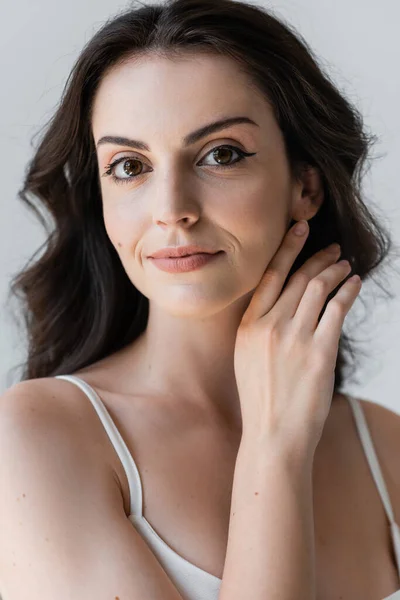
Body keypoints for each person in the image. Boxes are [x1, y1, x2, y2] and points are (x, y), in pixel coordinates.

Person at [1, 0, 400, 598]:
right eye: (130, 165)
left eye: (221, 154)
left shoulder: (387, 447)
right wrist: (275, 448)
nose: (171, 210)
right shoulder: (35, 440)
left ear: (305, 185)